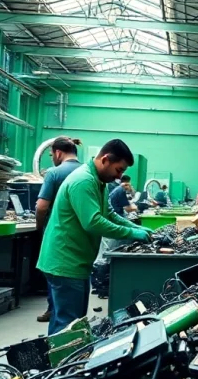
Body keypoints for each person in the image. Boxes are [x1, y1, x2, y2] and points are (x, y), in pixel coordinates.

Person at [37, 139, 153, 334]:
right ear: (105, 159)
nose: (120, 176)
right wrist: (133, 233)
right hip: (65, 261)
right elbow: (93, 222)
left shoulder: (98, 182)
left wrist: (136, 227)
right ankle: (62, 363)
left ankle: (62, 360)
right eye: (118, 170)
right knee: (68, 326)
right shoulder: (83, 181)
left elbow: (109, 214)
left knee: (70, 322)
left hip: (76, 262)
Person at [34, 136, 82, 323]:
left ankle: (53, 309)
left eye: (51, 154)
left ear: (58, 153)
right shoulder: (87, 172)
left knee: (55, 275)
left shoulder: (54, 173)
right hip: (81, 239)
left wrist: (39, 227)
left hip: (57, 234)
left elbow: (41, 206)